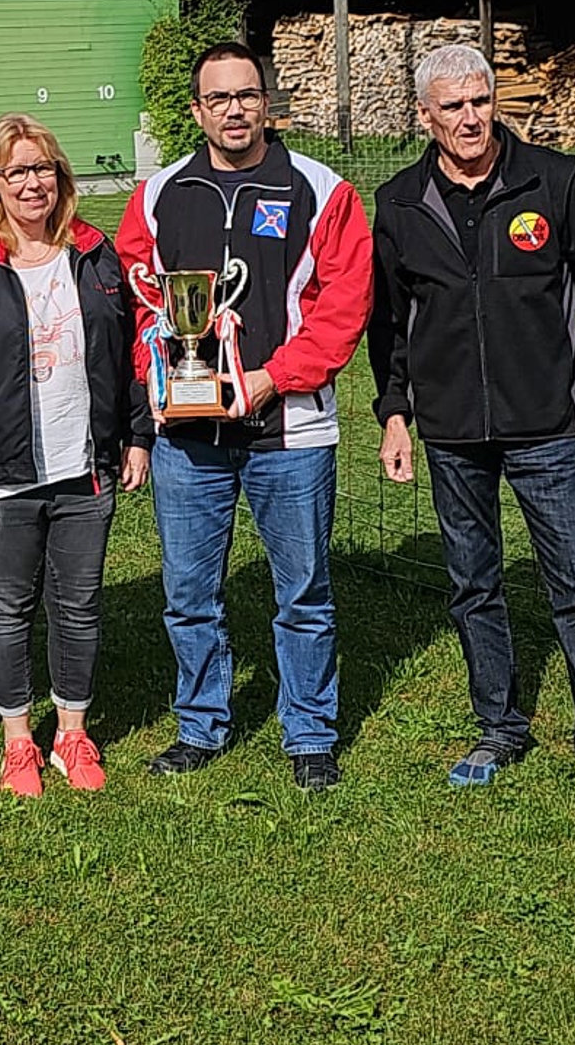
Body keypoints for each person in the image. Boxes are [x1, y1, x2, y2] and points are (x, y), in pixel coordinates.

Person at [366, 43, 575, 814]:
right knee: (473, 584)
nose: (470, 118)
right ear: (424, 116)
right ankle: (500, 725)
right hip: (452, 433)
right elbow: (387, 326)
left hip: (548, 427)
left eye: (481, 101)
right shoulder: (397, 204)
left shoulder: (552, 181)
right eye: (453, 106)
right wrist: (395, 412)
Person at [117, 42, 372, 790]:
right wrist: (157, 373)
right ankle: (200, 724)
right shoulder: (159, 193)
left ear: (268, 103)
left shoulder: (322, 190)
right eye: (219, 97)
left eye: (248, 95)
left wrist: (271, 377)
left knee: (303, 592)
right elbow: (140, 301)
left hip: (289, 430)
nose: (235, 108)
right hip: (187, 439)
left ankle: (310, 734)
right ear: (196, 109)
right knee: (189, 592)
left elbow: (343, 306)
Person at [0, 114, 152, 798]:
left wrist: (136, 436)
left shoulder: (95, 253)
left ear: (61, 177)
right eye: (16, 170)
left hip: (85, 466)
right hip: (3, 472)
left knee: (80, 605)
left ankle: (73, 732)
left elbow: (129, 354)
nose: (33, 183)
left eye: (43, 168)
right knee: (7, 607)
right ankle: (18, 739)